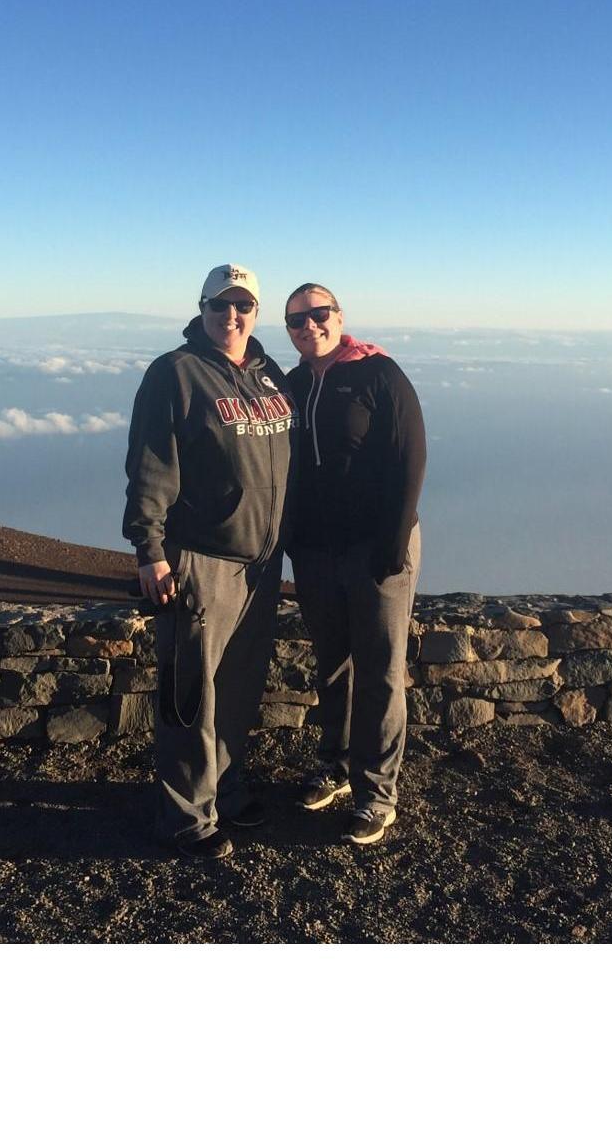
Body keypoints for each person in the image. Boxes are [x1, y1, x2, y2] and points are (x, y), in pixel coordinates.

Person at [123, 263, 296, 861]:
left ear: (256, 311)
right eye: (220, 305)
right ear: (201, 309)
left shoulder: (269, 375)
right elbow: (150, 465)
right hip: (202, 560)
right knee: (190, 693)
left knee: (240, 689)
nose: (232, 316)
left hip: (262, 564)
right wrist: (150, 550)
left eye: (243, 305)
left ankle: (224, 788)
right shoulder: (176, 374)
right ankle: (184, 817)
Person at [283, 283, 426, 846]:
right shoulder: (293, 383)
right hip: (317, 551)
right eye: (297, 320)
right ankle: (335, 766)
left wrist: (392, 544)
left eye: (319, 315)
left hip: (376, 548)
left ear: (339, 317)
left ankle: (377, 794)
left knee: (382, 672)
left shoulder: (379, 374)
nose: (309, 326)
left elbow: (410, 455)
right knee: (333, 666)